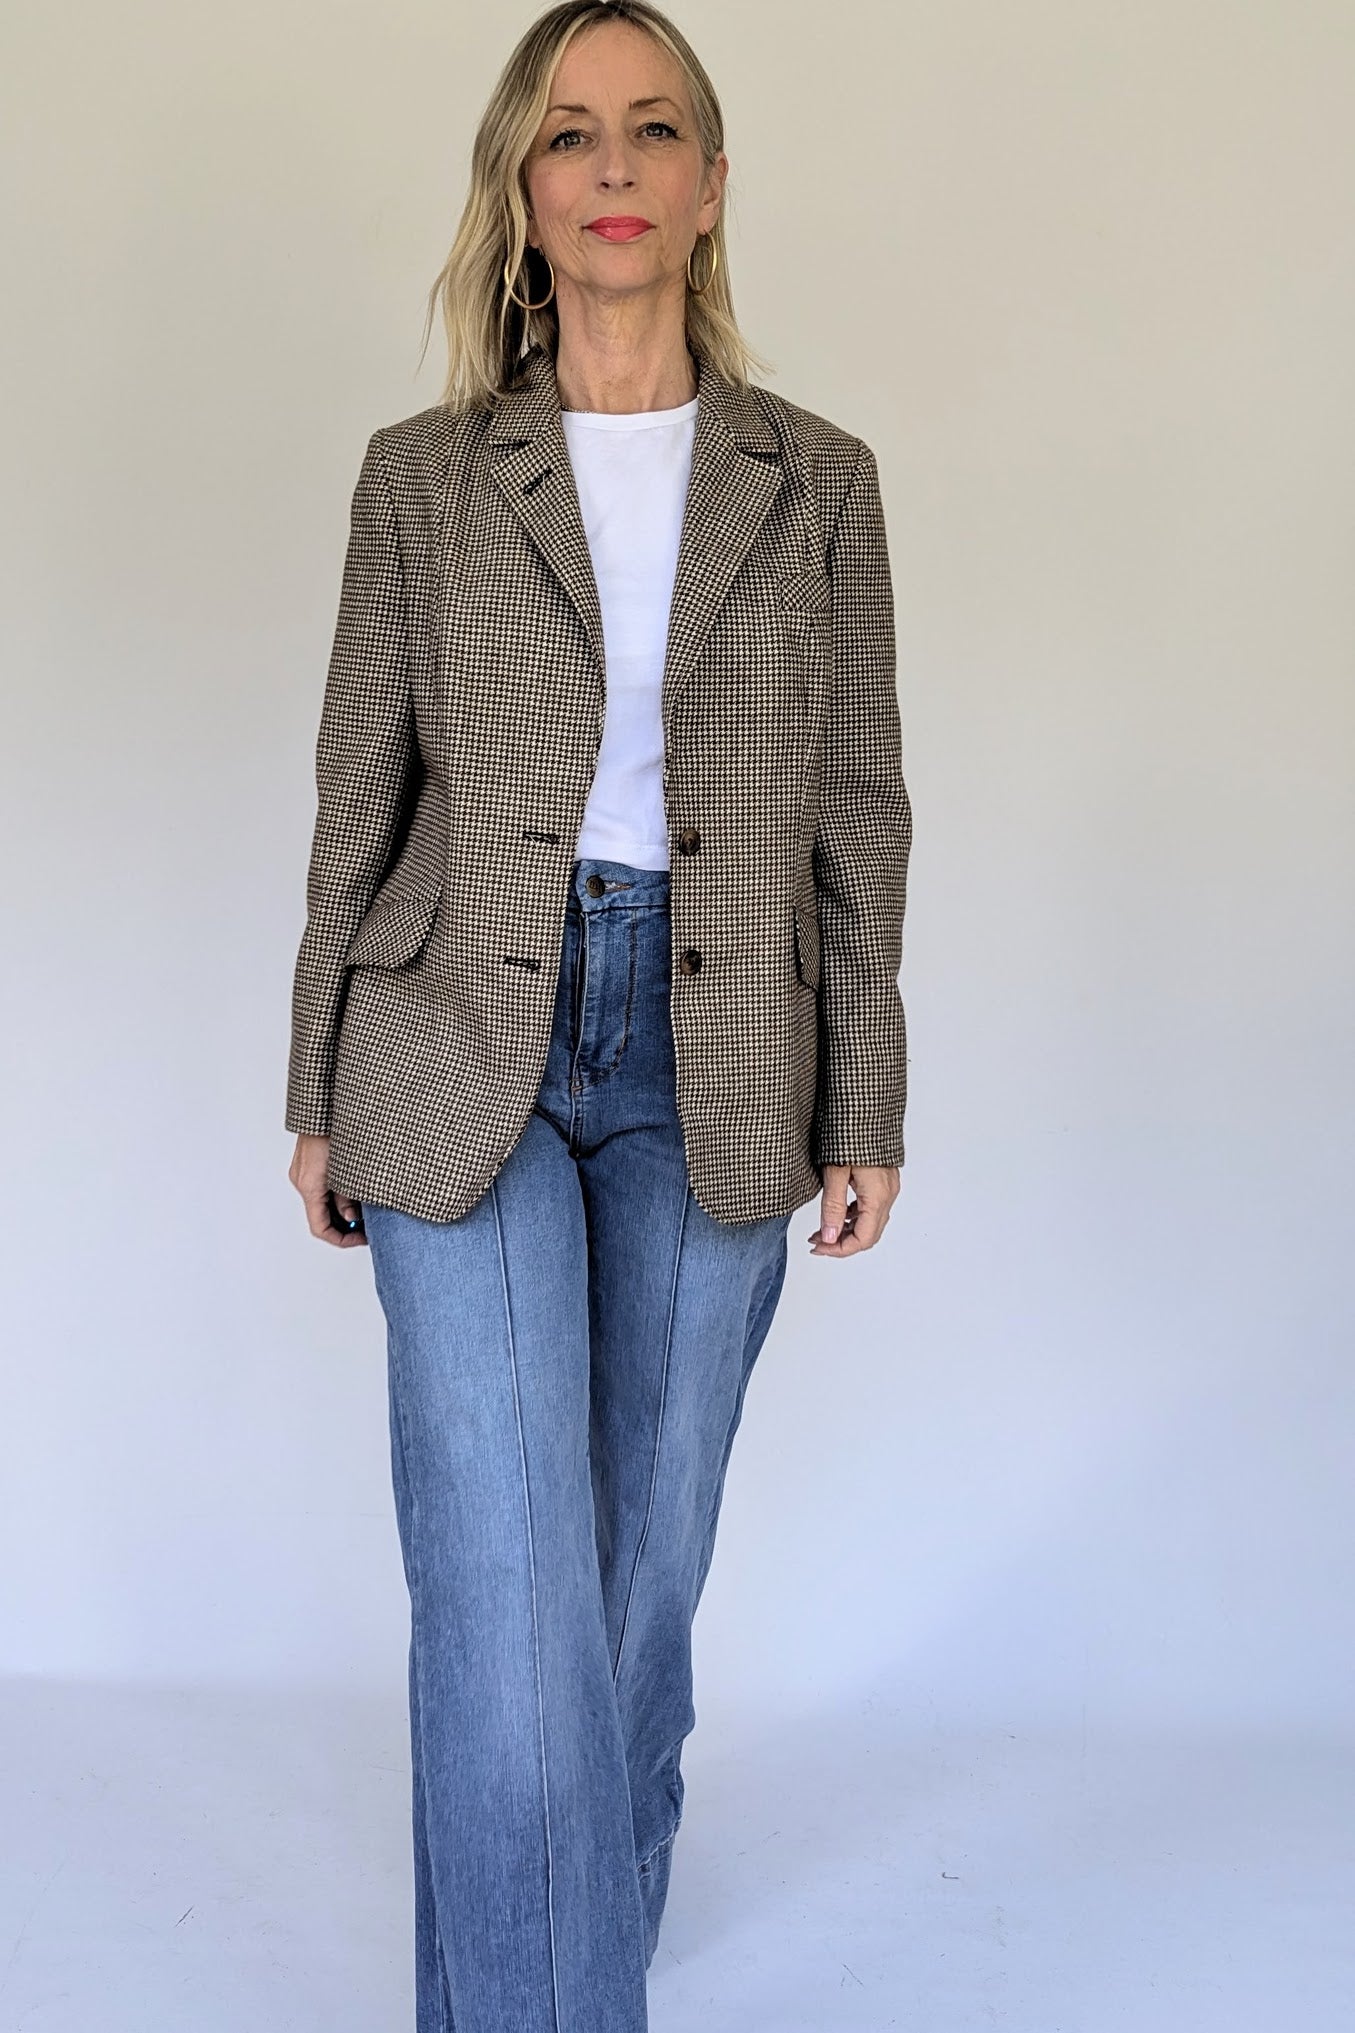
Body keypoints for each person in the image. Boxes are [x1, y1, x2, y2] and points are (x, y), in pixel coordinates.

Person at [284, 1, 911, 2025]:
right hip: (457, 1035)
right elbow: (356, 793)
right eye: (574, 136)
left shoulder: (818, 484)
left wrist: (869, 1089)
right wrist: (312, 1079)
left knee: (631, 1592)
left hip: (720, 1063)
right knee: (504, 1581)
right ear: (527, 192)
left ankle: (588, 1899)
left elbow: (857, 800)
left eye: (657, 131)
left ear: (711, 186)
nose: (617, 166)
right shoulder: (422, 481)